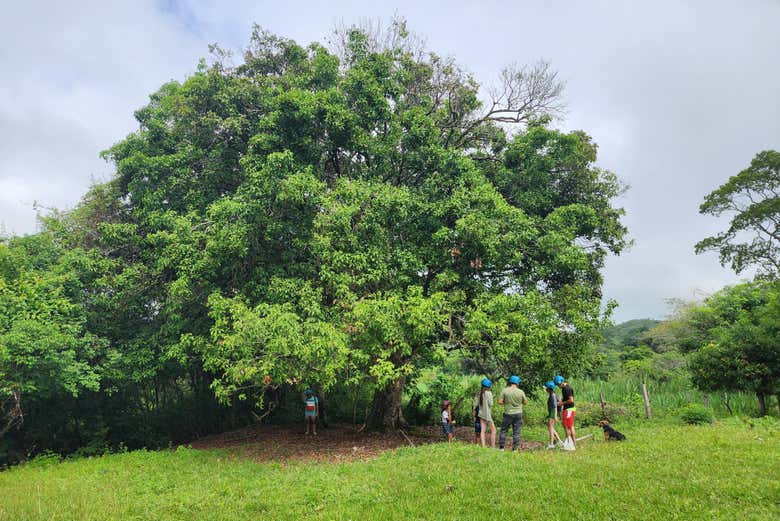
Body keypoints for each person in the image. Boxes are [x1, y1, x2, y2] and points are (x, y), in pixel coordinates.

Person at [497, 375, 528, 451]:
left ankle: (501, 448)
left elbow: (500, 402)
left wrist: (507, 402)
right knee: (516, 431)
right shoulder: (521, 392)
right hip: (518, 414)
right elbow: (525, 402)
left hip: (508, 413)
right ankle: (515, 449)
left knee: (504, 430)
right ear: (517, 383)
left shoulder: (505, 390)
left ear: (510, 382)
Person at [555, 375, 576, 450]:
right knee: (568, 425)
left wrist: (561, 403)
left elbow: (571, 400)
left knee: (567, 426)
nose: (558, 386)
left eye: (558, 384)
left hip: (569, 409)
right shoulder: (564, 388)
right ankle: (572, 443)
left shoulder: (567, 388)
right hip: (568, 409)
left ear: (561, 382)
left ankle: (570, 444)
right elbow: (566, 398)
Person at [474, 378, 496, 448]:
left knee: (482, 431)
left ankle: (483, 446)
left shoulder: (479, 393)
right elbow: (491, 404)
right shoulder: (489, 393)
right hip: (487, 415)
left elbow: (476, 404)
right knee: (494, 430)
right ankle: (493, 446)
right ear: (489, 386)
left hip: (481, 414)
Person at [545, 381, 564, 449]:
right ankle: (559, 441)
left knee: (550, 428)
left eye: (546, 388)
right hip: (551, 412)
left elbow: (555, 406)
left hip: (553, 413)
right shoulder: (552, 394)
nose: (545, 389)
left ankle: (551, 444)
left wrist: (555, 416)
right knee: (551, 427)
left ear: (549, 388)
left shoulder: (552, 395)